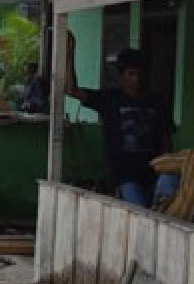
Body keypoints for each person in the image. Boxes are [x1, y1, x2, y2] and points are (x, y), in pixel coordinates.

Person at [65, 35, 178, 207]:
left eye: (140, 73)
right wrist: (70, 53)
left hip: (154, 173)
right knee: (140, 214)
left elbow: (165, 138)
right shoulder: (110, 99)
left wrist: (169, 166)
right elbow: (71, 90)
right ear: (121, 75)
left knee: (167, 207)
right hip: (124, 176)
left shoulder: (157, 101)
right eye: (131, 74)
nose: (136, 79)